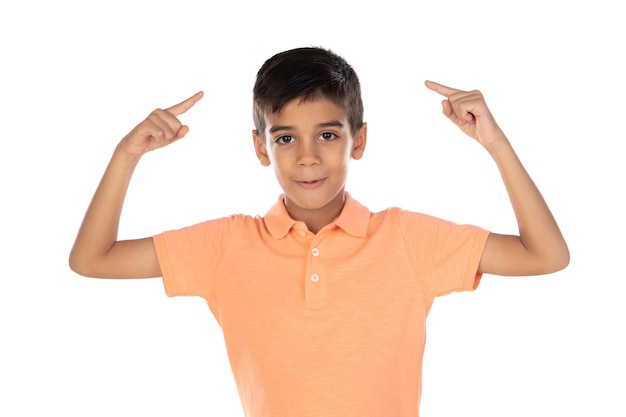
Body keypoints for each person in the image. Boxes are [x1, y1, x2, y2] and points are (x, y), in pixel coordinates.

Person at [69, 46, 569, 416]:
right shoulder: (225, 246)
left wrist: (495, 143)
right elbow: (92, 259)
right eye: (285, 138)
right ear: (261, 148)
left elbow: (545, 255)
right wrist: (126, 156)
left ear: (359, 140)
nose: (307, 156)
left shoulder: (406, 240)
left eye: (328, 134)